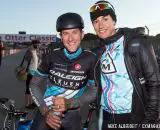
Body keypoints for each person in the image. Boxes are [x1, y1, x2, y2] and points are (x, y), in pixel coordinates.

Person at [89, 1, 160, 130]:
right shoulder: (99, 51)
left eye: (105, 19)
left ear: (114, 21)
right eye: (96, 21)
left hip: (131, 116)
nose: (100, 25)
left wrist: (150, 120)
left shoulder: (136, 44)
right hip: (105, 116)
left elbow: (155, 84)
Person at [29, 12, 97, 130]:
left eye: (75, 32)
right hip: (47, 112)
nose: (70, 39)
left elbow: (93, 92)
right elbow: (34, 84)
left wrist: (70, 103)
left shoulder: (91, 59)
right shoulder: (51, 55)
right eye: (65, 33)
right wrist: (45, 111)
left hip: (73, 115)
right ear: (61, 36)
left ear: (82, 34)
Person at [25, 39, 40, 108]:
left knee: (32, 88)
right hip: (31, 72)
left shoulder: (36, 51)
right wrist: (30, 49)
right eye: (37, 44)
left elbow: (38, 62)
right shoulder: (30, 51)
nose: (38, 45)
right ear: (34, 44)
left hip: (35, 72)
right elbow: (27, 59)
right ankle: (27, 104)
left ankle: (31, 102)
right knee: (28, 88)